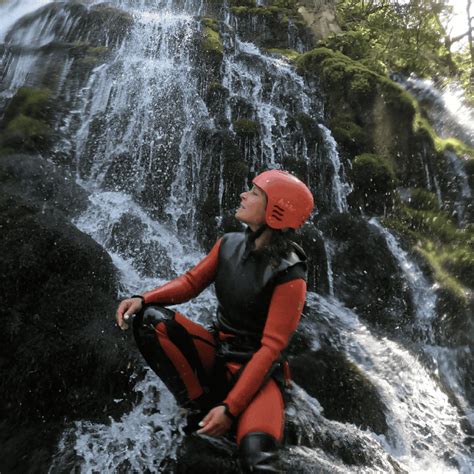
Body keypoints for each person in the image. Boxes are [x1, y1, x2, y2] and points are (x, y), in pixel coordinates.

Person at [116, 170, 314, 472]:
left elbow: (271, 349)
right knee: (149, 319)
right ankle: (199, 409)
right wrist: (144, 298)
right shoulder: (229, 244)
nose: (243, 195)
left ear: (276, 210)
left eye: (254, 193)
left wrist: (231, 410)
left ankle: (222, 416)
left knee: (258, 461)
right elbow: (191, 282)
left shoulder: (291, 274)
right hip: (217, 357)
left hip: (258, 377)